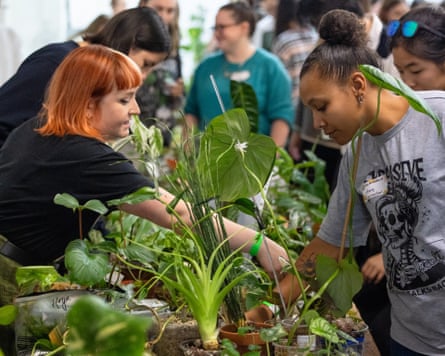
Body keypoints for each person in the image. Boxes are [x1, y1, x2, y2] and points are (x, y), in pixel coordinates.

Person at [0, 45, 287, 355]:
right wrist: (259, 244)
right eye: (124, 100)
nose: (136, 109)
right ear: (86, 106)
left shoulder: (37, 129)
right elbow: (180, 214)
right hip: (10, 278)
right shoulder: (86, 156)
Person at [247, 8, 445, 355]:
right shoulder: (357, 154)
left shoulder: (436, 117)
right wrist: (270, 308)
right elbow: (330, 245)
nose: (317, 122)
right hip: (410, 338)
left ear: (357, 85)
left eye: (321, 106)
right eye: (310, 110)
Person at [0, 7, 170, 149]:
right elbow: (5, 118)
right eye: (145, 64)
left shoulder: (98, 78)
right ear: (125, 43)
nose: (143, 76)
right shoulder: (55, 62)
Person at [184, 1, 294, 149]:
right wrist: (187, 156)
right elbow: (191, 112)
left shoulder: (270, 67)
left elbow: (282, 117)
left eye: (222, 27)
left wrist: (271, 160)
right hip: (210, 160)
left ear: (244, 27)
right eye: (215, 28)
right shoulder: (206, 67)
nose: (216, 33)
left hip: (252, 162)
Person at [137, 0, 184, 147]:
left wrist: (178, 92)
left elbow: (180, 94)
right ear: (143, 6)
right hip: (133, 135)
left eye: (170, 11)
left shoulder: (174, 48)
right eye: (158, 9)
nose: (163, 16)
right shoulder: (129, 40)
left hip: (163, 135)